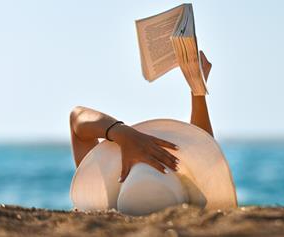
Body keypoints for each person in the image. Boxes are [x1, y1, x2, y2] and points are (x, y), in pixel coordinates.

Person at [69, 51, 213, 183]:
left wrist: (124, 134)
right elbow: (205, 151)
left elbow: (77, 116)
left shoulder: (103, 194)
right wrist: (197, 89)